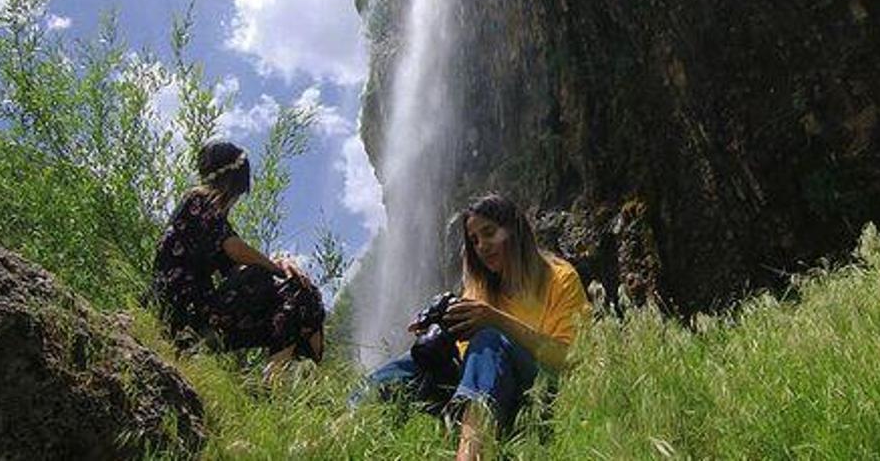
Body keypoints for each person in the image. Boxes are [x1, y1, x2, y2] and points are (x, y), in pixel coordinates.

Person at [361, 193, 590, 460]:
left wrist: (496, 320)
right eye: (474, 240)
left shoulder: (559, 278)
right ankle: (344, 428)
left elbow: (567, 359)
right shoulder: (479, 288)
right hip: (484, 386)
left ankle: (469, 454)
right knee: (409, 364)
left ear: (514, 229)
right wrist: (441, 334)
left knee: (489, 340)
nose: (481, 246)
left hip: (539, 394)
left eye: (489, 232)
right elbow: (468, 359)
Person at [151, 140, 325, 370]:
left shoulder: (210, 223)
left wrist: (283, 265)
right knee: (284, 285)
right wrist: (276, 267)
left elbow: (238, 271)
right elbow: (235, 249)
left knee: (296, 297)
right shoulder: (198, 200)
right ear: (233, 183)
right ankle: (296, 363)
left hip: (195, 316)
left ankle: (274, 383)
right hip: (182, 316)